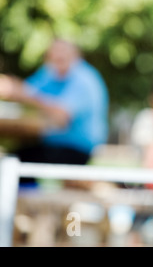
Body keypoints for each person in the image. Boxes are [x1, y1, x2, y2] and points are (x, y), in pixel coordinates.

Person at [0, 39, 109, 181]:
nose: (57, 57)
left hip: (75, 149)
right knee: (14, 159)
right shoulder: (51, 72)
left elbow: (61, 117)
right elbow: (27, 91)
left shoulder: (84, 78)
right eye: (53, 54)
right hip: (51, 144)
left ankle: (19, 199)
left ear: (76, 55)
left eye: (62, 53)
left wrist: (24, 95)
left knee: (14, 162)